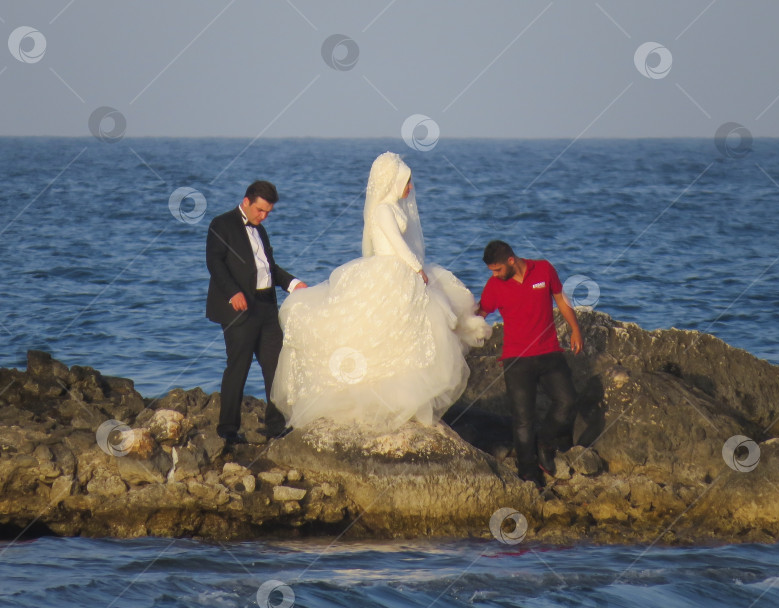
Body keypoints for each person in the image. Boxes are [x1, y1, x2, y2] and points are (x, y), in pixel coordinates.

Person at [270, 152, 491, 431]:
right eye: (407, 182)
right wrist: (417, 268)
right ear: (393, 181)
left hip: (401, 272)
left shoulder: (395, 207)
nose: (410, 188)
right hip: (391, 271)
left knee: (404, 335)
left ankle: (403, 397)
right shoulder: (383, 210)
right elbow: (397, 244)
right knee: (382, 333)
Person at [205, 180, 307, 446]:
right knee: (238, 367)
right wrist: (232, 292)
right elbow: (214, 262)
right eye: (260, 211)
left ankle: (275, 426)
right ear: (247, 201)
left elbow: (268, 267)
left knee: (276, 366)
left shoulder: (260, 231)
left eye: (268, 213)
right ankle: (227, 430)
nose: (264, 217)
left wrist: (292, 283)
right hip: (238, 308)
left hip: (266, 307)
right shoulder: (221, 224)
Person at [477, 240, 583, 487]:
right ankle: (529, 474)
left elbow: (560, 298)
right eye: (491, 271)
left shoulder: (544, 270)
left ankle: (544, 442)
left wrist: (575, 329)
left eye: (497, 270)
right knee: (523, 420)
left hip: (549, 353)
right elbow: (480, 314)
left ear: (511, 261)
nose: (494, 275)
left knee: (568, 402)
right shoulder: (494, 286)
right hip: (517, 360)